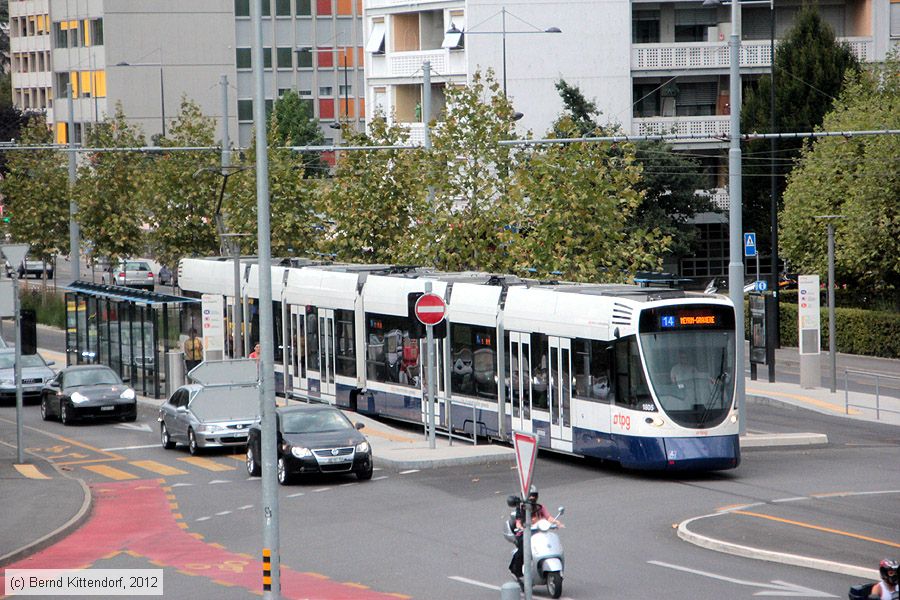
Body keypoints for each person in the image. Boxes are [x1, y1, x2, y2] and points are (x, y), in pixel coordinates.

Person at [508, 486, 563, 579]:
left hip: (539, 532)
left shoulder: (540, 507)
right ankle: (517, 571)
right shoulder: (521, 508)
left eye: (534, 495)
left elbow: (548, 517)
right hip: (524, 533)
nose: (532, 498)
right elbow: (518, 521)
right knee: (523, 549)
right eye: (530, 495)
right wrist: (521, 527)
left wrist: (557, 522)